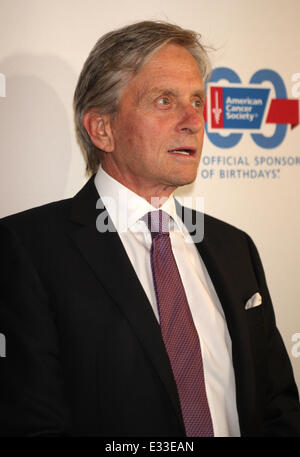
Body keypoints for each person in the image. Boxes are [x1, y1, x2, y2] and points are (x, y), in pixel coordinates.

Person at [0, 21, 299, 437]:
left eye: (197, 100)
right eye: (164, 100)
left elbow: (278, 406)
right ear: (102, 128)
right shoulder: (25, 248)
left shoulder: (235, 247)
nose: (194, 119)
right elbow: (31, 422)